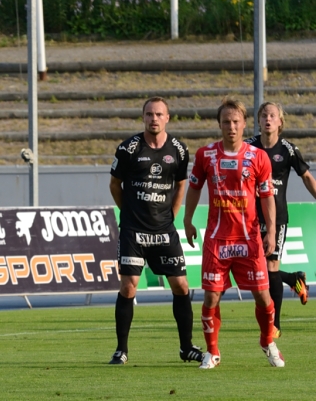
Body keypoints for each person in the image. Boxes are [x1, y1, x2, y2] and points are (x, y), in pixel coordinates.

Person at [184, 98, 282, 369]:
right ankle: (212, 351)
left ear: (244, 124)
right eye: (226, 121)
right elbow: (193, 188)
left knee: (263, 296)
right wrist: (188, 219)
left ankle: (267, 341)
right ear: (219, 124)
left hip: (249, 239)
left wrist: (271, 230)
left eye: (236, 121)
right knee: (211, 297)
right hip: (217, 240)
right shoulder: (206, 155)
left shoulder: (258, 156)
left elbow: (267, 197)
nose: (231, 126)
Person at [108, 97, 201, 365]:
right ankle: (121, 350)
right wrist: (128, 212)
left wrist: (174, 214)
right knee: (129, 287)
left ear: (167, 118)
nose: (154, 119)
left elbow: (182, 183)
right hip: (133, 230)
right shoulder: (129, 148)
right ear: (143, 117)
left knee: (181, 285)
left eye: (159, 114)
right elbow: (115, 184)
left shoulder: (180, 151)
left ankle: (186, 347)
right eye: (149, 114)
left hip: (164, 229)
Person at [246, 101, 315, 333]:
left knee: (270, 265)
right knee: (257, 269)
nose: (268, 119)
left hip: (278, 218)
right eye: (264, 115)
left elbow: (306, 176)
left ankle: (274, 325)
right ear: (258, 121)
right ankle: (293, 278)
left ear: (280, 122)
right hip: (251, 218)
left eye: (272, 116)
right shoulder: (248, 148)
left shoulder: (288, 150)